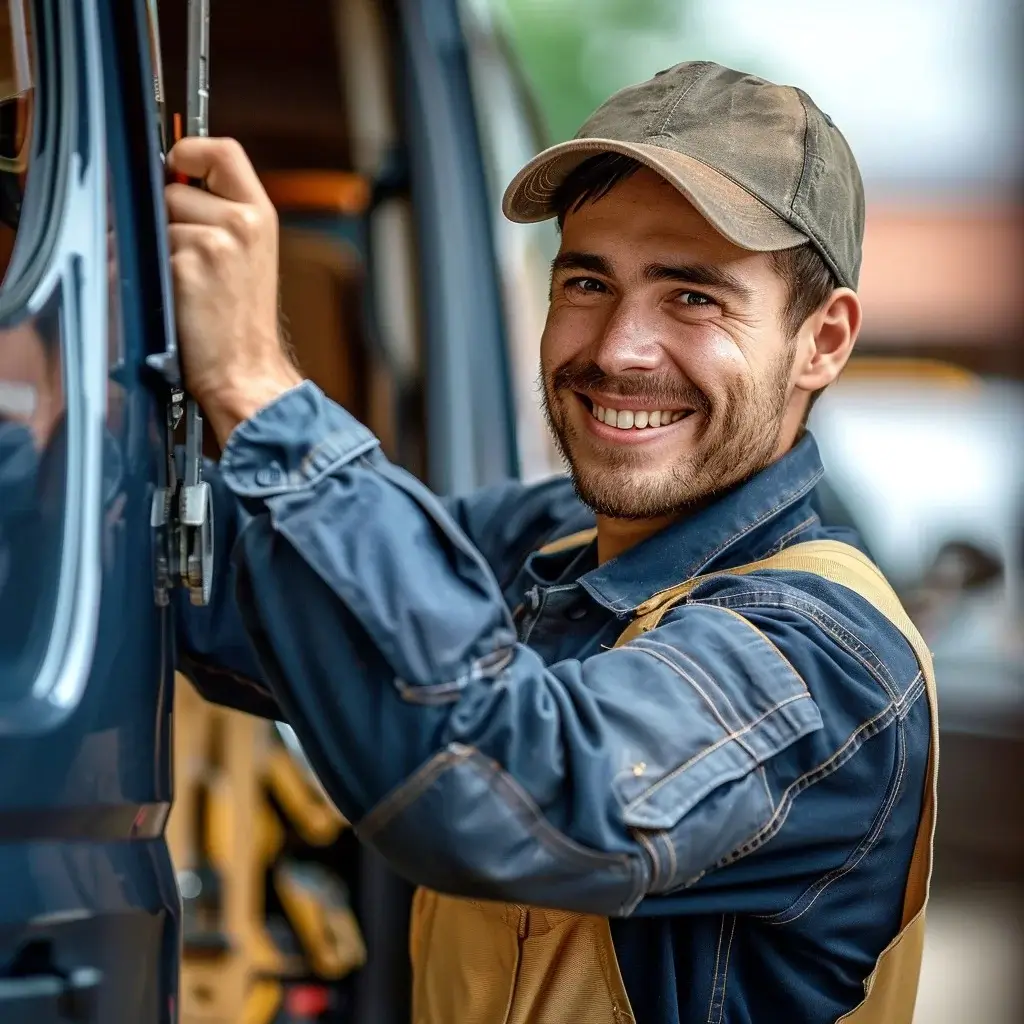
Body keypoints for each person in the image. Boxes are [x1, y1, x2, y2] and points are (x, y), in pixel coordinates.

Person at [167, 62, 935, 1024]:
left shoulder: (822, 659)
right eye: (587, 280)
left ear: (822, 341)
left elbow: (504, 793)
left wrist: (254, 386)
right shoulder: (549, 545)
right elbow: (227, 592)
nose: (618, 349)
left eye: (693, 297)